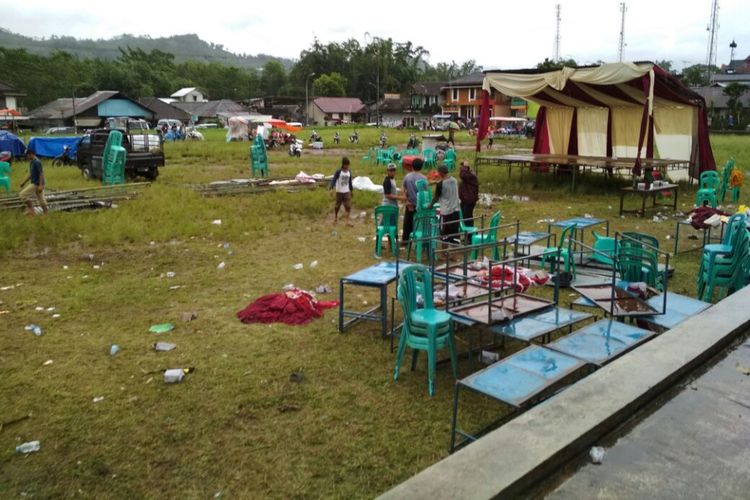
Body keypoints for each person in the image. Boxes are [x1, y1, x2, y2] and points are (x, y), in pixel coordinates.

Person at [431, 164, 460, 242]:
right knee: (455, 234)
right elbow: (446, 183)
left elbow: (436, 198)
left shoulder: (440, 184)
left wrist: (429, 205)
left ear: (440, 173)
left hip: (446, 213)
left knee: (444, 236)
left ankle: (444, 253)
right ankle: (455, 252)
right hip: (456, 210)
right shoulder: (454, 180)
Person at [401, 157, 427, 243]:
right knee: (419, 224)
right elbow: (425, 192)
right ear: (421, 167)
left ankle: (405, 241)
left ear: (412, 166)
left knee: (407, 224)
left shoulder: (407, 177)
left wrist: (407, 201)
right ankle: (418, 241)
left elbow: (403, 189)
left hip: (410, 204)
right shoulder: (423, 178)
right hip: (420, 205)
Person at [19, 148, 48, 215]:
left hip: (37, 183)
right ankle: (45, 213)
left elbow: (41, 173)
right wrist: (24, 182)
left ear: (31, 154)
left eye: (27, 155)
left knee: (23, 194)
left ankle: (31, 209)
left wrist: (40, 185)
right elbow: (31, 174)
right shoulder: (32, 161)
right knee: (41, 198)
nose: (26, 157)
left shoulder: (37, 162)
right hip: (35, 182)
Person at [330, 157, 353, 226]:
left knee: (348, 206)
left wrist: (351, 190)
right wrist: (331, 188)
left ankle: (347, 221)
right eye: (346, 165)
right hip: (339, 191)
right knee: (337, 206)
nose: (347, 166)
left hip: (346, 191)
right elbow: (334, 179)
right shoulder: (339, 172)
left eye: (348, 165)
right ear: (343, 164)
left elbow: (350, 182)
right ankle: (335, 218)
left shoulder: (349, 172)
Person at [459, 160, 479, 227]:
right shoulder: (468, 177)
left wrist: (465, 166)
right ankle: (469, 233)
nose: (461, 169)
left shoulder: (471, 176)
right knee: (465, 217)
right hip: (465, 200)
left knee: (467, 218)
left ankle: (470, 234)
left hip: (469, 201)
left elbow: (463, 175)